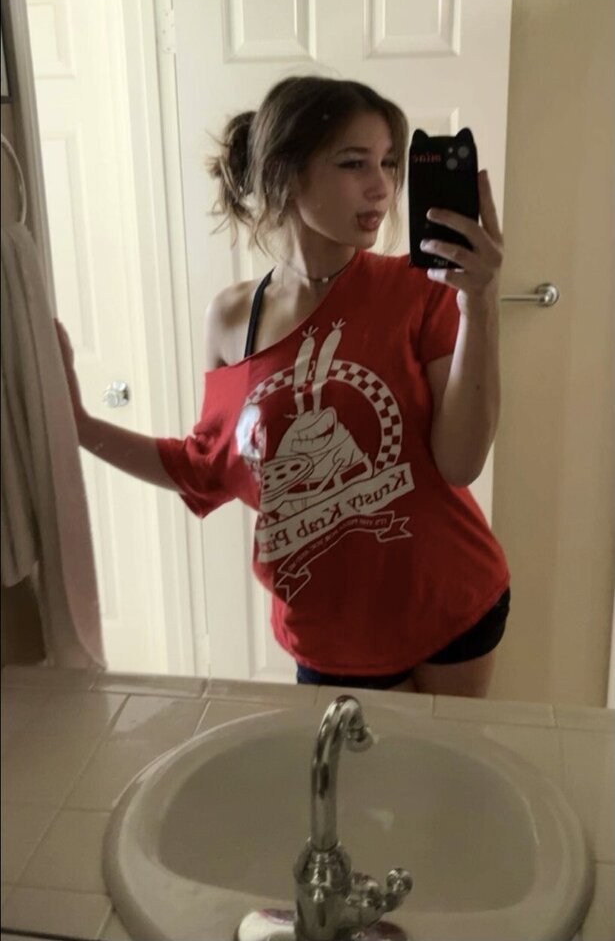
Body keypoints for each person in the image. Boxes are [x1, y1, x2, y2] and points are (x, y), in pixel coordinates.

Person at [55, 75, 509, 697]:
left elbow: (460, 463)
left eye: (388, 163)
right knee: (350, 765)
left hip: (449, 599)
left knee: (443, 763)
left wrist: (479, 304)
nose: (381, 186)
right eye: (354, 163)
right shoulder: (231, 319)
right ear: (285, 173)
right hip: (327, 629)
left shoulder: (420, 290)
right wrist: (79, 428)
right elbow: (203, 466)